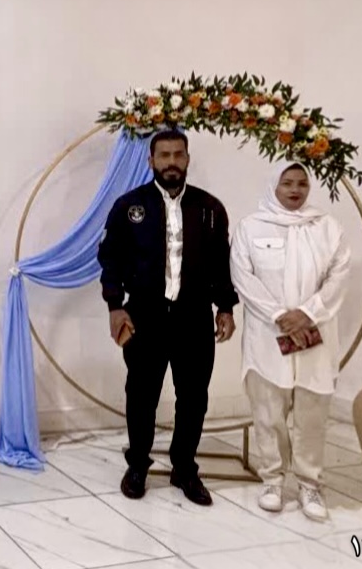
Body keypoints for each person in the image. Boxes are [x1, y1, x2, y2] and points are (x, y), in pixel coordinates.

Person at [97, 129, 239, 505]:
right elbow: (110, 259)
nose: (171, 162)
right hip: (144, 315)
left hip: (194, 317)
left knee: (193, 397)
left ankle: (184, 468)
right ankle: (138, 466)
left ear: (187, 159)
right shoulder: (129, 206)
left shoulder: (210, 208)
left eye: (178, 154)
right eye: (164, 155)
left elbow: (221, 263)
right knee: (141, 395)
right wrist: (115, 305)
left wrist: (225, 306)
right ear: (151, 161)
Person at [230, 162, 351, 521]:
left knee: (312, 413)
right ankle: (272, 480)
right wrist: (281, 316)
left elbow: (338, 277)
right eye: (287, 183)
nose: (295, 190)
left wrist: (308, 313)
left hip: (315, 334)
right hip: (269, 335)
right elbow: (243, 276)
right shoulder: (251, 227)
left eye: (302, 183)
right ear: (274, 186)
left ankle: (310, 484)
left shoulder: (328, 228)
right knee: (269, 412)